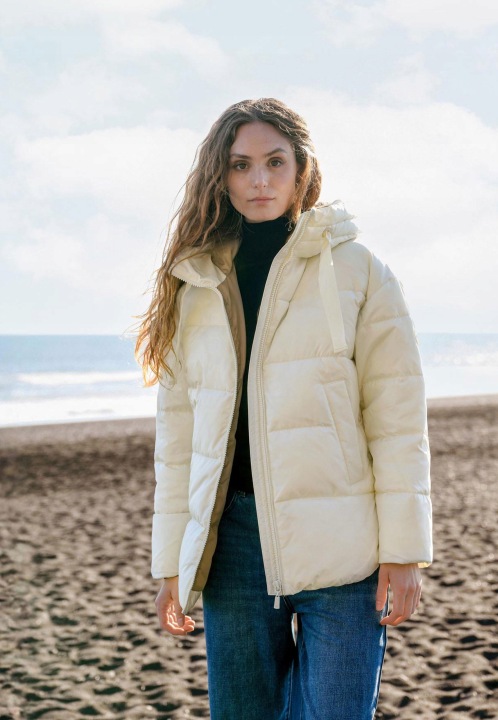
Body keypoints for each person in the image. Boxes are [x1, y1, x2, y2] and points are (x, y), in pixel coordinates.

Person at [135, 97, 432, 720]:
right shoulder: (196, 282)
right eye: (241, 165)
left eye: (275, 162)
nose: (260, 180)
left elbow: (397, 418)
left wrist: (404, 550)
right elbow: (180, 440)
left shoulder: (359, 270)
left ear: (302, 169)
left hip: (345, 545)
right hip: (234, 549)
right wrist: (172, 564)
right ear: (221, 176)